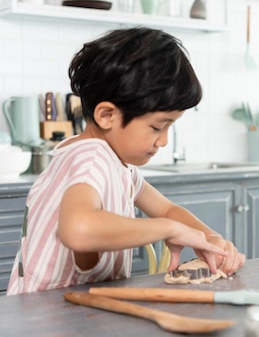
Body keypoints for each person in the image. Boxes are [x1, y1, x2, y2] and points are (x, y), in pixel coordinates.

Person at [7, 27, 245, 295]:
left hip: (73, 314)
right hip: (44, 322)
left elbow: (167, 210)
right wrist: (168, 230)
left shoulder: (115, 162)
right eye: (157, 127)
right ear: (107, 115)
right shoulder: (90, 158)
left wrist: (209, 238)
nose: (164, 140)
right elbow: (77, 229)